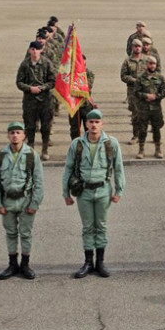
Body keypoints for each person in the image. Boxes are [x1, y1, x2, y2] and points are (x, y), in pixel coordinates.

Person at [63, 109, 125, 279]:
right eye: (91, 122)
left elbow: (118, 168)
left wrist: (119, 190)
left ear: (102, 124)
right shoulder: (77, 144)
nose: (94, 125)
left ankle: (100, 262)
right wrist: (66, 193)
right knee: (88, 227)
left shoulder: (111, 143)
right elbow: (68, 169)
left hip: (103, 190)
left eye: (97, 122)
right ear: (86, 124)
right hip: (84, 191)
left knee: (101, 226)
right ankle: (88, 262)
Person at [0, 121, 44, 280]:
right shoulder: (0, 155)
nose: (15, 135)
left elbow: (39, 182)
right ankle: (13, 264)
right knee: (11, 233)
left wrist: (35, 203)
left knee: (26, 233)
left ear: (24, 135)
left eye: (18, 132)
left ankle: (25, 264)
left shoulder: (31, 155)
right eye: (12, 132)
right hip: (7, 201)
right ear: (8, 135)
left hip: (26, 200)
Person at [16, 41, 55, 161]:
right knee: (30, 126)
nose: (34, 52)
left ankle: (44, 150)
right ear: (29, 51)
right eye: (32, 49)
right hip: (29, 100)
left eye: (36, 49)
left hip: (45, 100)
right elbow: (19, 82)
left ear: (41, 50)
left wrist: (42, 88)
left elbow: (53, 81)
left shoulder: (47, 63)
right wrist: (30, 88)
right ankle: (30, 149)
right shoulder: (24, 64)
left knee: (45, 126)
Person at [133, 56, 165, 159]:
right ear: (147, 64)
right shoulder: (140, 78)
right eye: (150, 63)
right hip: (143, 108)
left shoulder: (160, 78)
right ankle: (141, 150)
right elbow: (136, 92)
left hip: (156, 108)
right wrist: (145, 96)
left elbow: (164, 91)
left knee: (156, 129)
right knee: (142, 129)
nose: (152, 65)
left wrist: (155, 97)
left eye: (154, 64)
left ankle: (158, 149)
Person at [120, 39, 147, 144]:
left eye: (139, 46)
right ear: (132, 47)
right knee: (135, 114)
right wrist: (133, 80)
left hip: (145, 90)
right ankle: (135, 135)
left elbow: (153, 72)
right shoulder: (127, 61)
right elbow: (123, 76)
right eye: (135, 46)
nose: (137, 48)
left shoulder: (147, 60)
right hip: (133, 92)